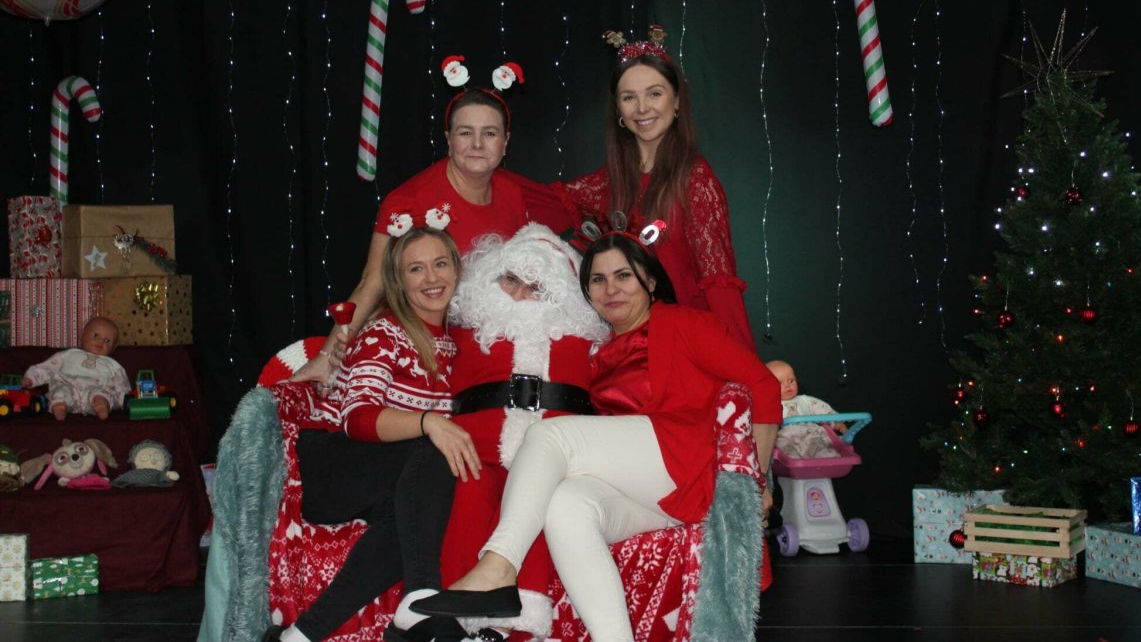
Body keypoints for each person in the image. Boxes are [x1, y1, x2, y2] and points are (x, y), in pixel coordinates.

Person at [410, 232, 781, 642]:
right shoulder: (598, 350)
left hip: (688, 463)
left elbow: (763, 386)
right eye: (598, 280)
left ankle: (498, 566)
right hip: (652, 491)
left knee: (549, 435)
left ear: (650, 280)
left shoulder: (683, 323)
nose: (611, 289)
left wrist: (755, 482)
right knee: (566, 505)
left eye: (623, 275)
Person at [263, 221, 481, 642]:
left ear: (457, 270)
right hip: (332, 464)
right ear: (398, 281)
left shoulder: (459, 343)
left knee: (407, 522)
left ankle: (299, 636)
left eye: (440, 264)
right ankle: (422, 596)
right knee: (434, 449)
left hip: (396, 473)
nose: (431, 278)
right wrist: (429, 422)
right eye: (416, 269)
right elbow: (357, 418)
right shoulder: (385, 332)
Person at [521, 26, 756, 351]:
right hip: (628, 348)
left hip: (686, 346)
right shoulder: (607, 183)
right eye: (629, 97)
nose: (642, 108)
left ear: (676, 101)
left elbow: (719, 282)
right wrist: (474, 172)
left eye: (654, 93)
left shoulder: (695, 179)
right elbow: (536, 202)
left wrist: (743, 363)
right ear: (618, 109)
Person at [296, 73, 531, 387]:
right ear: (448, 139)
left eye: (489, 133)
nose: (477, 144)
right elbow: (373, 281)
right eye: (465, 133)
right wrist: (327, 356)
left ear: (506, 141)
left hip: (484, 348)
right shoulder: (409, 200)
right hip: (417, 353)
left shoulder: (514, 195)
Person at [441, 222, 611, 640]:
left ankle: (516, 624)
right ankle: (456, 617)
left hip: (555, 456)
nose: (517, 294)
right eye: (509, 280)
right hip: (476, 449)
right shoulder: (463, 331)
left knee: (537, 499)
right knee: (470, 493)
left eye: (535, 287)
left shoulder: (587, 341)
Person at [23, 316, 129, 420]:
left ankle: (102, 405)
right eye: (96, 335)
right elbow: (48, 367)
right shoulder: (69, 354)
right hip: (69, 385)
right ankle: (60, 406)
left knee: (102, 394)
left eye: (107, 341)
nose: (100, 341)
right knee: (60, 392)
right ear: (82, 334)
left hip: (96, 388)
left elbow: (121, 384)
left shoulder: (112, 364)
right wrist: (31, 378)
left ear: (113, 348)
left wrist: (125, 401)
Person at [768, 360, 846, 460]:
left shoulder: (805, 400)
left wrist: (837, 422)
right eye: (779, 383)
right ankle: (793, 460)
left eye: (791, 380)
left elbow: (823, 409)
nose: (788, 385)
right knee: (781, 445)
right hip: (787, 436)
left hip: (810, 434)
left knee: (821, 443)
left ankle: (829, 460)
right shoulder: (770, 405)